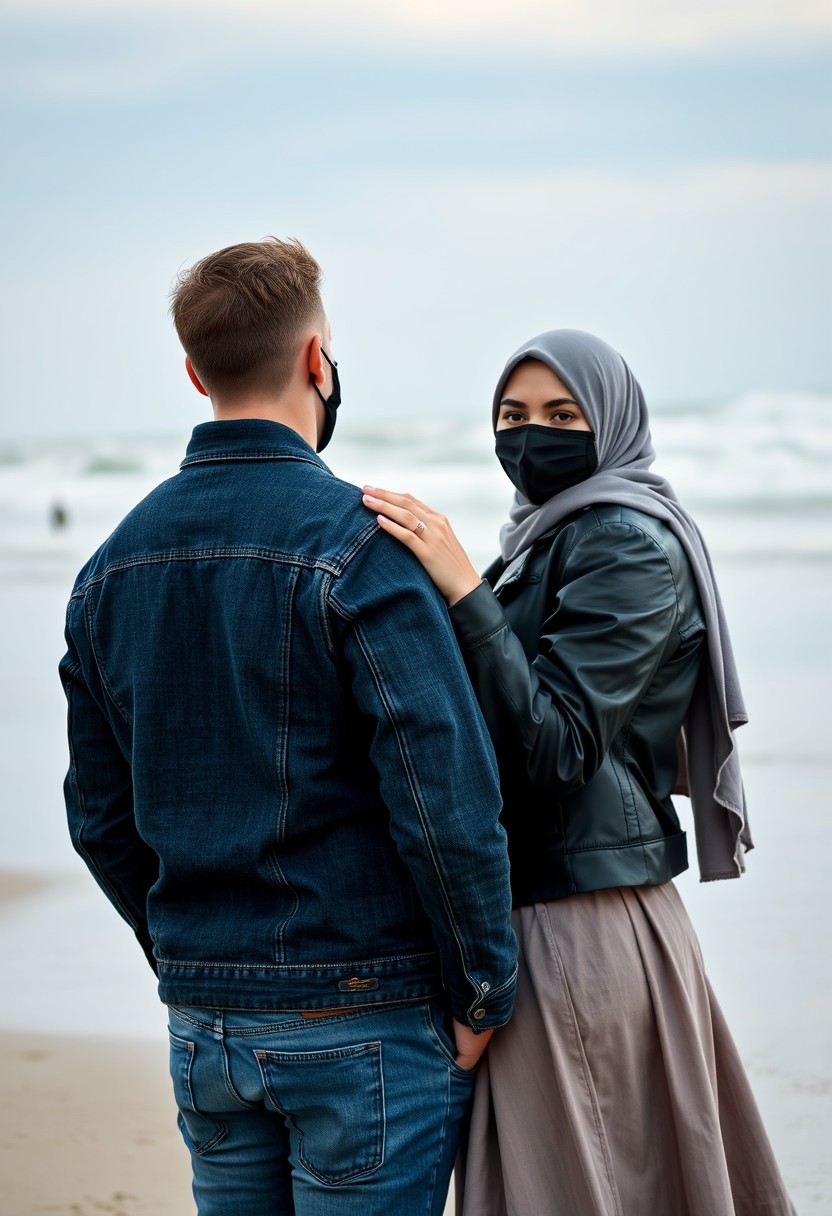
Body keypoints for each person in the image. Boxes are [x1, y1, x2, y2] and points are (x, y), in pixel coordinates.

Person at [58, 238, 517, 1216]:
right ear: (317, 359)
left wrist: (191, 956)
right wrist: (482, 985)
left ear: (193, 372)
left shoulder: (108, 571)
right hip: (362, 1006)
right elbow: (443, 796)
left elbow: (97, 818)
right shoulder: (363, 548)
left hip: (205, 1022)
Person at [362, 329, 796, 1216]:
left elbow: (557, 749)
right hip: (536, 914)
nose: (532, 435)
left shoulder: (626, 544)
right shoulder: (543, 543)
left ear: (614, 422)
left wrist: (461, 593)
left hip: (581, 925)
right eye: (511, 415)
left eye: (563, 415)